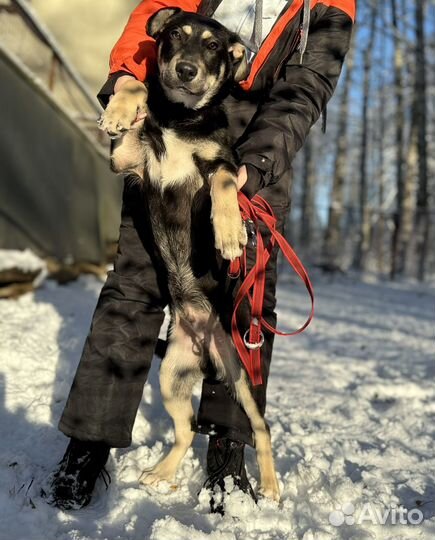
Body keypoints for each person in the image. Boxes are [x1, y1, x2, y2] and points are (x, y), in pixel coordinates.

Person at [47, 0, 355, 511]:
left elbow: (306, 87)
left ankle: (228, 457)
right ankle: (87, 446)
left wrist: (252, 168)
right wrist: (126, 85)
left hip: (261, 128)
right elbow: (150, 26)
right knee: (135, 284)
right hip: (175, 116)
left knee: (245, 299)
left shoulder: (330, 4)